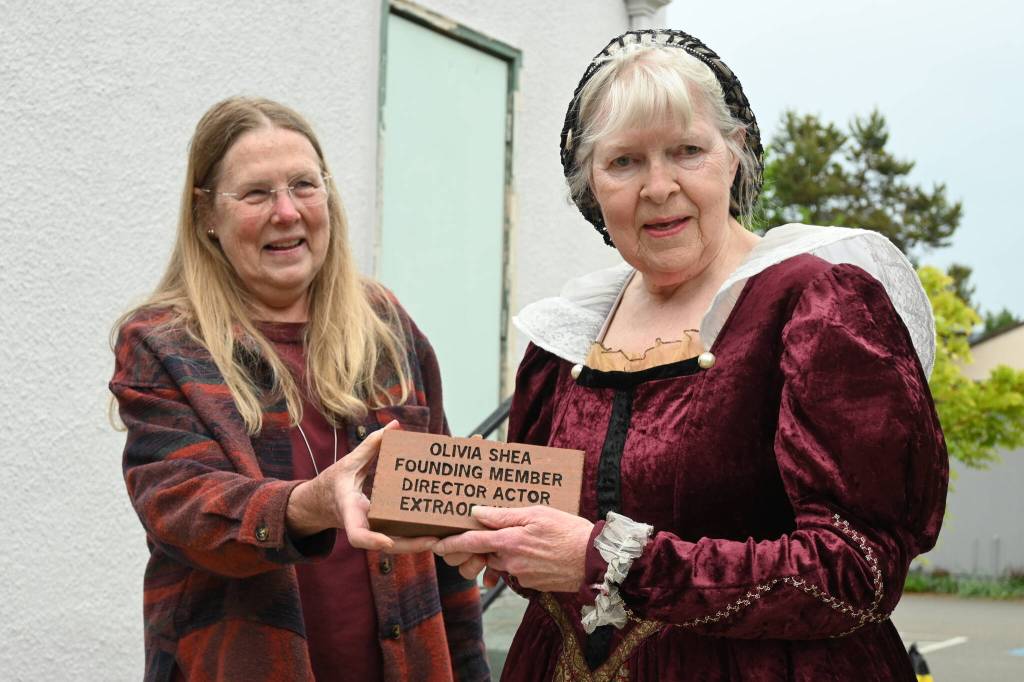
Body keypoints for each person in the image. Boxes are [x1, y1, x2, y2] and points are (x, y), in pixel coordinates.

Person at [433, 30, 947, 680]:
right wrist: (464, 526)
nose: (658, 186)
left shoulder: (816, 304)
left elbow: (854, 572)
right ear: (589, 185)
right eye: (624, 162)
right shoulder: (562, 340)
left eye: (687, 151)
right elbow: (541, 533)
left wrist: (613, 561)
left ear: (733, 157)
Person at [110, 97, 488, 681]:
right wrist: (306, 505)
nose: (287, 212)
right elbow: (182, 509)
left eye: (304, 186)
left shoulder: (385, 325)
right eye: (256, 194)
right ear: (206, 212)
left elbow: (441, 521)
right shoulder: (165, 344)